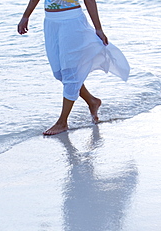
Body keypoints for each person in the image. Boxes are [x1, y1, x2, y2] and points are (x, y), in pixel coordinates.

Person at [18, 0, 130, 135]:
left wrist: (98, 28)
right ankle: (92, 101)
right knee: (59, 73)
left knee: (70, 73)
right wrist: (26, 16)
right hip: (50, 22)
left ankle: (62, 122)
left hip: (72, 22)